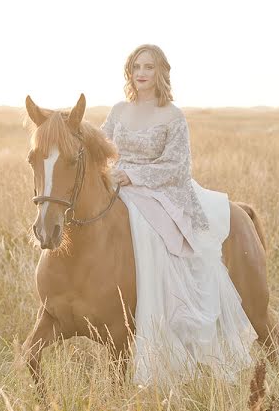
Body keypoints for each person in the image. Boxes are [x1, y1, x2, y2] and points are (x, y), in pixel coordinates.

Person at [101, 44, 257, 384]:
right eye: (136, 67)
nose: (141, 73)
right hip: (119, 185)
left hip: (160, 188)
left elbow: (178, 166)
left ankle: (168, 313)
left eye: (149, 67)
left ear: (161, 73)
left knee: (152, 235)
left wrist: (136, 175)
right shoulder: (118, 111)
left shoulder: (172, 116)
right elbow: (101, 147)